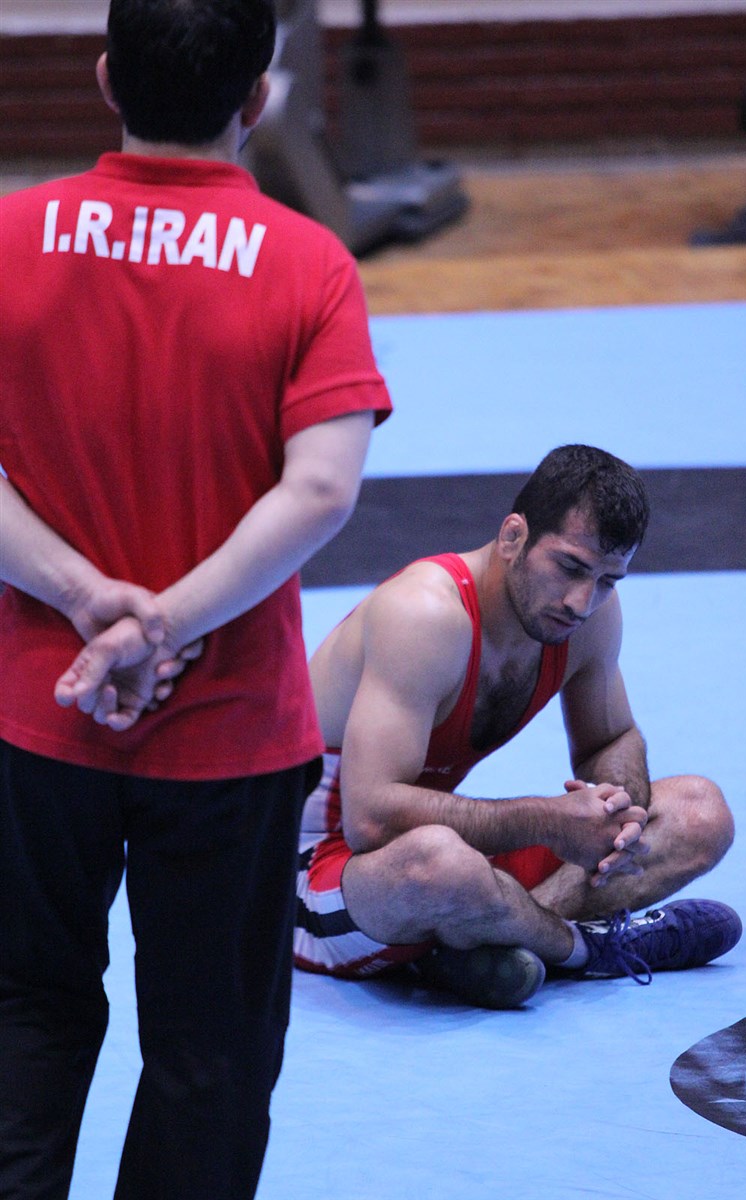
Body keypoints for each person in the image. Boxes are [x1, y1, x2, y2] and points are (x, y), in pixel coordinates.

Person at [0, 1, 391, 1197]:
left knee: (19, 1016)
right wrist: (163, 622)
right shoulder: (307, 261)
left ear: (107, 77)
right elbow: (320, 490)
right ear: (258, 97)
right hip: (228, 730)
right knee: (209, 1052)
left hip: (34, 715)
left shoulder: (10, 234)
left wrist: (86, 599)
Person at [292, 445, 740, 1008]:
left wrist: (619, 811)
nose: (582, 602)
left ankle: (481, 940)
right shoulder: (424, 614)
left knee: (699, 811)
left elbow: (612, 739)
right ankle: (584, 949)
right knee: (439, 862)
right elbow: (369, 821)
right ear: (512, 537)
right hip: (314, 874)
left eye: (608, 580)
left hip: (441, 860)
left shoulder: (587, 616)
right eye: (570, 567)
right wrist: (550, 820)